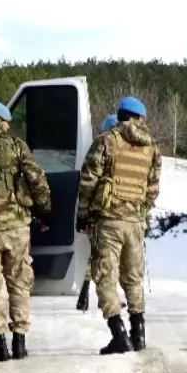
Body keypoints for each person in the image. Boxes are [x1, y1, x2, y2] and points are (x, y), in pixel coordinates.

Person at [77, 96, 162, 354]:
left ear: (119, 114)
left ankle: (119, 335)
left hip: (108, 221)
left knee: (106, 278)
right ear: (140, 118)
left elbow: (88, 181)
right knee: (133, 278)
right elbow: (153, 189)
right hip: (135, 223)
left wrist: (82, 216)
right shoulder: (152, 148)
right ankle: (139, 334)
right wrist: (140, 212)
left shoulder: (106, 141)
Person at [0, 99, 53, 362]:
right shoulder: (16, 146)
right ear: (1, 122)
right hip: (17, 227)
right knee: (19, 281)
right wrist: (45, 212)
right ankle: (20, 342)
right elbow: (37, 180)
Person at [75, 112, 124, 313]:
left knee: (94, 257)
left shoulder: (99, 148)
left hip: (98, 213)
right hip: (111, 216)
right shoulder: (120, 152)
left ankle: (85, 295)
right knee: (107, 261)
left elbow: (88, 183)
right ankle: (105, 298)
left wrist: (83, 215)